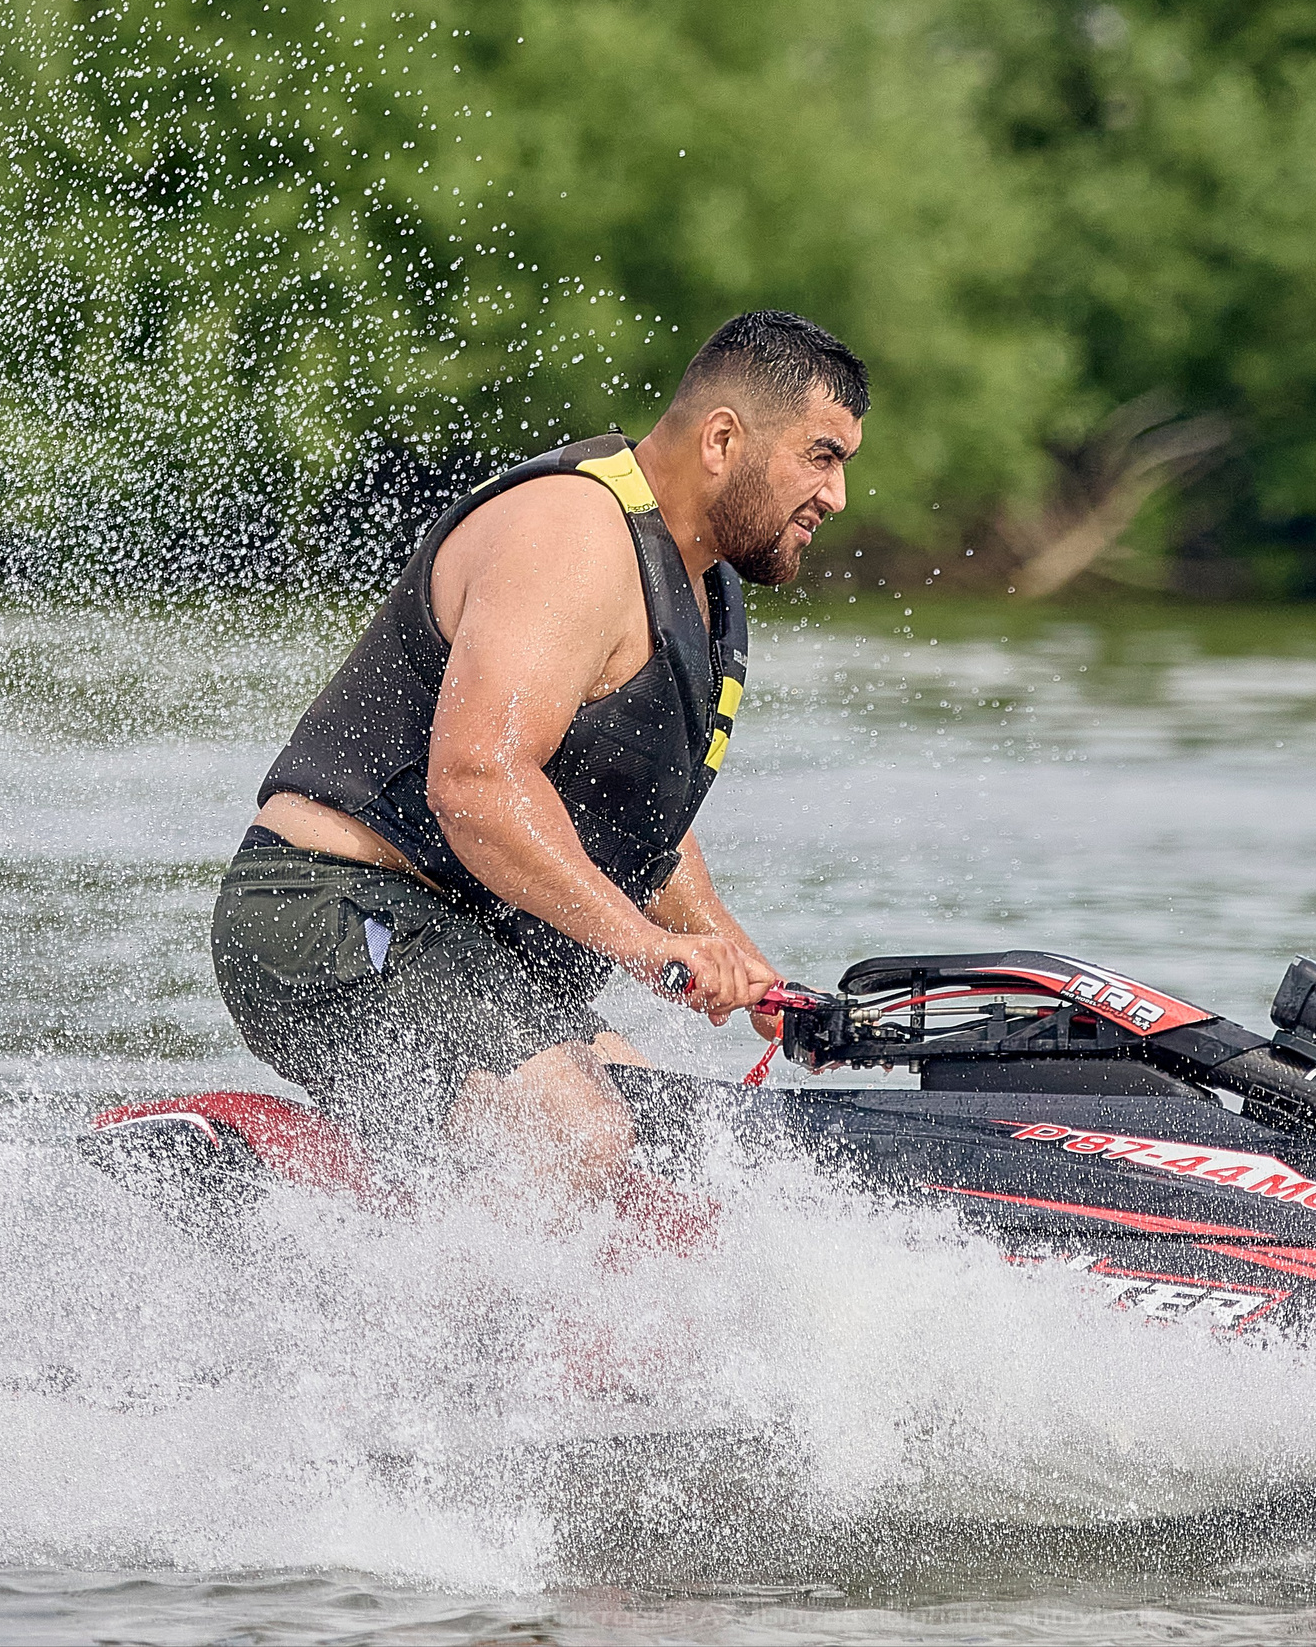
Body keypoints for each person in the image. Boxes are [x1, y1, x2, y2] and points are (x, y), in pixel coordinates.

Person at [208, 310, 865, 1199]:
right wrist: (644, 946)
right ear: (722, 438)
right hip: (324, 908)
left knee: (674, 1159)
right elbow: (479, 783)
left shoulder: (702, 590)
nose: (835, 495)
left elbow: (645, 835)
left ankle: (388, 1232)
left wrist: (749, 973)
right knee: (583, 1141)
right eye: (820, 456)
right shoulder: (573, 534)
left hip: (456, 950)